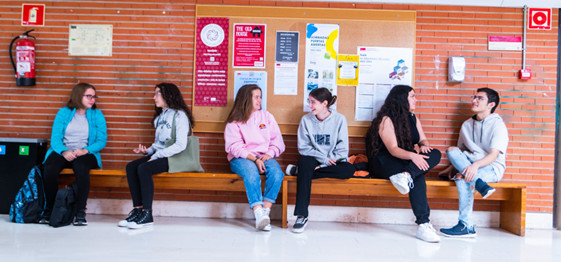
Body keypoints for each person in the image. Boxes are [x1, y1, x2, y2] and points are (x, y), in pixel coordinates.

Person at [365, 85, 441, 243]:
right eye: (412, 96)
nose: (416, 100)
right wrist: (414, 156)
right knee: (417, 177)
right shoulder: (386, 119)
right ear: (401, 99)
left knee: (435, 153)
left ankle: (406, 175)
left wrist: (423, 146)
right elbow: (393, 149)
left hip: (405, 161)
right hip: (384, 162)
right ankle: (423, 224)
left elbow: (422, 139)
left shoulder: (413, 118)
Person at [119, 83, 195, 229]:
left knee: (144, 168)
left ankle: (148, 214)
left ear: (169, 95)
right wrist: (147, 151)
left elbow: (181, 145)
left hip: (175, 158)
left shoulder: (180, 115)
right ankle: (138, 210)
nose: (154, 97)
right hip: (161, 155)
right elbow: (158, 144)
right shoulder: (160, 117)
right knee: (131, 167)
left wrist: (158, 155)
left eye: (157, 94)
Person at [439, 87, 508, 237]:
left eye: (480, 98)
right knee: (451, 150)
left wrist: (474, 166)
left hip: (491, 168)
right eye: (474, 97)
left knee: (462, 178)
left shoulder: (498, 126)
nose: (474, 101)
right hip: (470, 165)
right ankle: (480, 185)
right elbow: (459, 153)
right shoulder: (466, 125)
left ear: (491, 105)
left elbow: (493, 155)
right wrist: (451, 167)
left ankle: (466, 226)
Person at [41, 83, 107, 226]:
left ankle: (80, 211)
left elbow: (101, 141)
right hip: (63, 151)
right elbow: (55, 139)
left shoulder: (97, 115)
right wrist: (64, 151)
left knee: (81, 167)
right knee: (49, 168)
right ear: (78, 95)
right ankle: (50, 210)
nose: (92, 99)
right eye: (88, 96)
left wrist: (85, 150)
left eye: (94, 96)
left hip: (86, 153)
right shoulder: (63, 113)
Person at [291, 87, 355, 233]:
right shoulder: (306, 120)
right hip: (314, 158)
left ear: (324, 103)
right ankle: (302, 215)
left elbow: (343, 148)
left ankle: (300, 173)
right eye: (309, 101)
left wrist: (330, 160)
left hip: (333, 160)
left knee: (349, 169)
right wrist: (323, 160)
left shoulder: (339, 119)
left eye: (313, 102)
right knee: (304, 162)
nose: (309, 105)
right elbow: (303, 148)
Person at [224, 84, 285, 231]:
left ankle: (266, 212)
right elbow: (234, 147)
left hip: (264, 156)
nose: (260, 100)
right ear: (246, 99)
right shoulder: (234, 121)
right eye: (256, 97)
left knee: (277, 173)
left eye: (260, 97)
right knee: (251, 173)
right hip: (242, 158)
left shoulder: (266, 116)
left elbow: (278, 142)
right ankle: (258, 212)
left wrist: (269, 154)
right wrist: (254, 159)